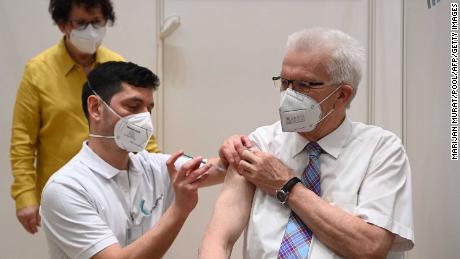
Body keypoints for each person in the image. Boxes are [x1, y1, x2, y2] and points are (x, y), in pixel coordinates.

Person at [199, 28, 414, 259]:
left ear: (342, 95)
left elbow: (371, 247)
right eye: (284, 82)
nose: (289, 95)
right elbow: (217, 239)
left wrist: (287, 185)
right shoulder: (261, 144)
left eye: (305, 85)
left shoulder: (381, 150)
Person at [40, 61, 225, 259]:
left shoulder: (151, 166)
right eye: (134, 106)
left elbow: (218, 169)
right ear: (95, 108)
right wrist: (179, 210)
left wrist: (233, 148)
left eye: (149, 109)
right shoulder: (66, 188)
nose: (145, 118)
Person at [10, 0, 160, 235]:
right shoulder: (37, 71)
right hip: (65, 190)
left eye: (96, 22)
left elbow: (137, 122)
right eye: (81, 23)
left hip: (118, 182)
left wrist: (158, 168)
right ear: (62, 25)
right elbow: (22, 139)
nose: (90, 30)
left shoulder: (116, 65)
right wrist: (24, 194)